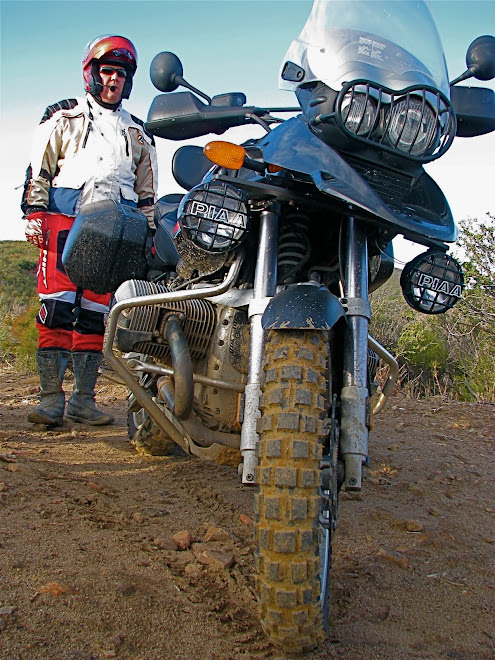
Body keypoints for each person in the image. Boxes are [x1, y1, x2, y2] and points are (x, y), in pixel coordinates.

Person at [22, 34, 158, 427]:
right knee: (57, 308)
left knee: (96, 315)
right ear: (92, 74)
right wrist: (34, 212)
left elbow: (148, 192)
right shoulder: (62, 116)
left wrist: (148, 234)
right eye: (107, 71)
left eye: (120, 74)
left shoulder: (138, 132)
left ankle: (84, 399)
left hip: (118, 229)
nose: (113, 80)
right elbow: (39, 168)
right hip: (65, 220)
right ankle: (51, 400)